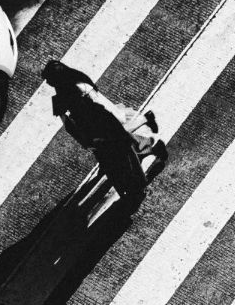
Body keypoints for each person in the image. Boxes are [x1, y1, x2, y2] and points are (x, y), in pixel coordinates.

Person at [41, 59, 163, 206]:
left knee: (123, 154)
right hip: (101, 129)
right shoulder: (78, 84)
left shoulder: (71, 92)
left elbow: (70, 123)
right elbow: (94, 107)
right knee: (121, 154)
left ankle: (135, 185)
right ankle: (147, 157)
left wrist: (87, 140)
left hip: (100, 130)